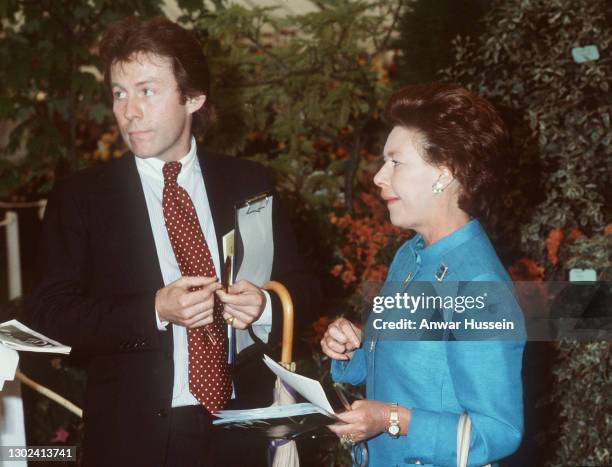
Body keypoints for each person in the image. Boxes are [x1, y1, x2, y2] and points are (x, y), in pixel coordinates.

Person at [27, 16, 316, 467]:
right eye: (119, 93)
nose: (129, 111)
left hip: (239, 428)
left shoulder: (249, 181)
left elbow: (303, 284)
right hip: (134, 435)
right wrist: (153, 310)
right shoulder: (81, 197)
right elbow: (49, 314)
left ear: (194, 98)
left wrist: (264, 307)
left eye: (147, 90)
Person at [321, 83, 525, 466]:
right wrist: (355, 347)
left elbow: (498, 432)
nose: (379, 177)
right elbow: (419, 364)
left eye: (395, 162)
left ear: (444, 173)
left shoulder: (479, 285)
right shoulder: (411, 255)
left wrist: (390, 419)